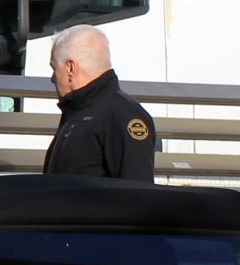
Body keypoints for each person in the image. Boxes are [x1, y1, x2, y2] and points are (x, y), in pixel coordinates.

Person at [41, 24, 157, 181]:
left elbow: (138, 192)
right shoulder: (78, 110)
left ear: (70, 68)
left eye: (54, 68)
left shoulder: (121, 114)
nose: (52, 78)